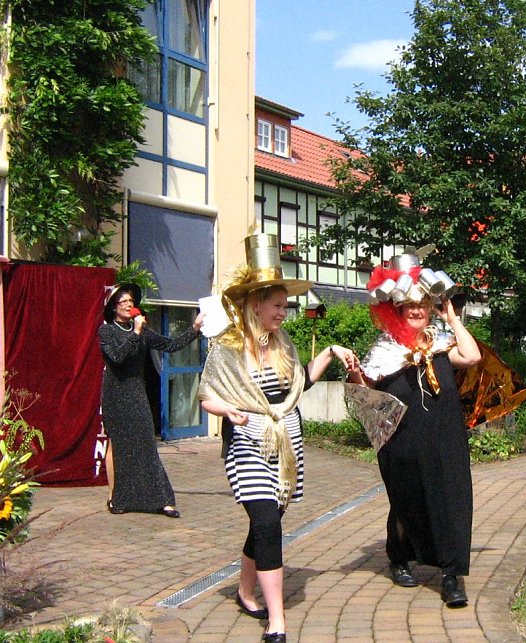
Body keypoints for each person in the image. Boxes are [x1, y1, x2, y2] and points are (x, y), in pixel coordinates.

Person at [198, 233, 358, 643]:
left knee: (266, 523)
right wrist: (228, 411)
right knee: (267, 521)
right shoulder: (228, 349)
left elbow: (297, 385)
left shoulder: (283, 343)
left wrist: (331, 352)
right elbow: (208, 396)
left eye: (286, 306)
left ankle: (245, 590)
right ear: (256, 305)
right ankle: (277, 620)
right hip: (247, 444)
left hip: (287, 445)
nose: (284, 313)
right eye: (278, 306)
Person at [347, 253, 481, 608]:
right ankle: (399, 557)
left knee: (453, 500)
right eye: (409, 306)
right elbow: (366, 391)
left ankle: (452, 575)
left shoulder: (440, 343)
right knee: (407, 501)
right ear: (397, 310)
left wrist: (451, 317)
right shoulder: (384, 352)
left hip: (446, 439)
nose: (417, 311)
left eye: (423, 303)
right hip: (403, 442)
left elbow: (472, 357)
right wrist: (354, 371)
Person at [99, 283, 205, 517]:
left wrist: (194, 329)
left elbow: (170, 345)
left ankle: (163, 499)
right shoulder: (106, 332)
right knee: (117, 445)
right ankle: (115, 497)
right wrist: (136, 333)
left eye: (130, 301)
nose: (128, 305)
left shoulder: (143, 331)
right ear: (114, 308)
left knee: (146, 444)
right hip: (115, 394)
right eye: (123, 302)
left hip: (136, 392)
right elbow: (118, 357)